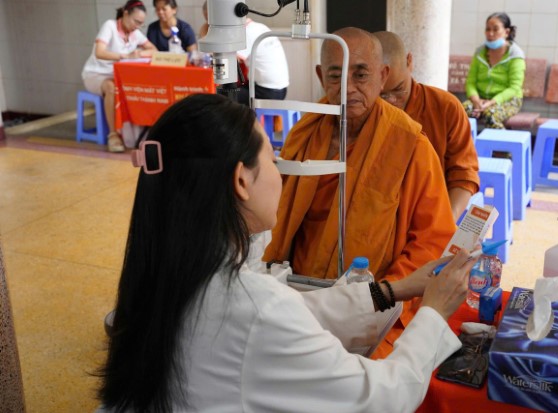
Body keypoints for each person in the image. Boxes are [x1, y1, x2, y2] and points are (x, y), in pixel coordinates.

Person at [95, 93, 475, 412]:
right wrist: (434, 312)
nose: (279, 171)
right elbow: (381, 397)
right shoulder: (255, 306)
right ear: (241, 181)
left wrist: (392, 290)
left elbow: (296, 313)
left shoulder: (161, 275)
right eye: (271, 158)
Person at [263, 27, 457, 359]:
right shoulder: (304, 134)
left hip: (380, 301)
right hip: (301, 294)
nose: (348, 88)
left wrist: (385, 296)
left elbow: (431, 240)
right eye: (336, 75)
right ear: (321, 76)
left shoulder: (409, 144)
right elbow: (276, 216)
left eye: (361, 74)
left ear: (382, 76)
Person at [374, 31, 480, 222]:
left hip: (432, 215)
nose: (391, 102)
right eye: (381, 95)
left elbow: (464, 175)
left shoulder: (445, 107)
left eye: (398, 90)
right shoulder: (360, 113)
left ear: (409, 61)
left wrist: (444, 223)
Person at [81, 0, 156, 152]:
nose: (138, 26)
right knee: (111, 87)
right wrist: (125, 56)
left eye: (141, 24)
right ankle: (113, 135)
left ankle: (137, 135)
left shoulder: (135, 33)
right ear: (125, 14)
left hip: (117, 75)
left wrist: (139, 53)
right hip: (96, 74)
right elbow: (99, 52)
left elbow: (154, 50)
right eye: (136, 21)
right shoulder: (110, 26)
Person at [462, 12, 525, 129]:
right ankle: (467, 141)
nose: (490, 33)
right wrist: (476, 100)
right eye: (488, 29)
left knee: (490, 115)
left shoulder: (515, 55)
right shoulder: (480, 53)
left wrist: (491, 102)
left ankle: (503, 141)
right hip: (480, 98)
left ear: (506, 32)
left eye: (495, 29)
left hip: (507, 100)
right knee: (461, 111)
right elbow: (470, 81)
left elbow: (514, 87)